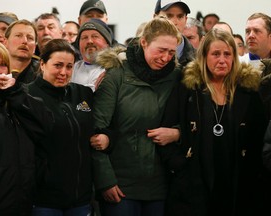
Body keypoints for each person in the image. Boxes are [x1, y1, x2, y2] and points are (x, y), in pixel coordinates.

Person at [164, 28, 268, 216]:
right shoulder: (189, 88)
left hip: (237, 188)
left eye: (227, 54)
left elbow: (258, 139)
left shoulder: (248, 92)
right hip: (194, 187)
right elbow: (167, 126)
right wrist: (179, 167)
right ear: (204, 56)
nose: (222, 60)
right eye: (216, 54)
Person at [91, 17, 182, 216]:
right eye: (160, 50)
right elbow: (96, 130)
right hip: (121, 186)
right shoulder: (117, 75)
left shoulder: (178, 77)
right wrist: (105, 181)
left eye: (171, 52)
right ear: (144, 42)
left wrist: (177, 133)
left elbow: (194, 121)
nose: (166, 58)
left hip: (160, 185)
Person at [0, 39, 51, 215]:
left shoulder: (16, 101)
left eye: (3, 65)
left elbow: (45, 126)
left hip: (22, 203)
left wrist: (14, 92)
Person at [27, 39, 94, 216]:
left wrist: (107, 137)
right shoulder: (27, 96)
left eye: (69, 66)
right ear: (42, 64)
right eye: (57, 65)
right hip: (44, 198)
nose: (63, 72)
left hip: (80, 197)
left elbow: (97, 128)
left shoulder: (83, 93)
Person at [71, 18, 114, 92]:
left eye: (95, 36)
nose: (89, 41)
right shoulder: (71, 69)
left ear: (107, 44)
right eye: (84, 38)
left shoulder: (115, 69)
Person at [154, 0, 196, 66]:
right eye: (169, 16)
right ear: (155, 18)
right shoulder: (137, 52)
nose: (174, 22)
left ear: (186, 20)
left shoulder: (199, 59)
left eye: (180, 16)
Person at [4, 19, 39, 83]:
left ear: (34, 47)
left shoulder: (44, 74)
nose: (25, 41)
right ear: (5, 42)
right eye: (18, 36)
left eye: (30, 38)